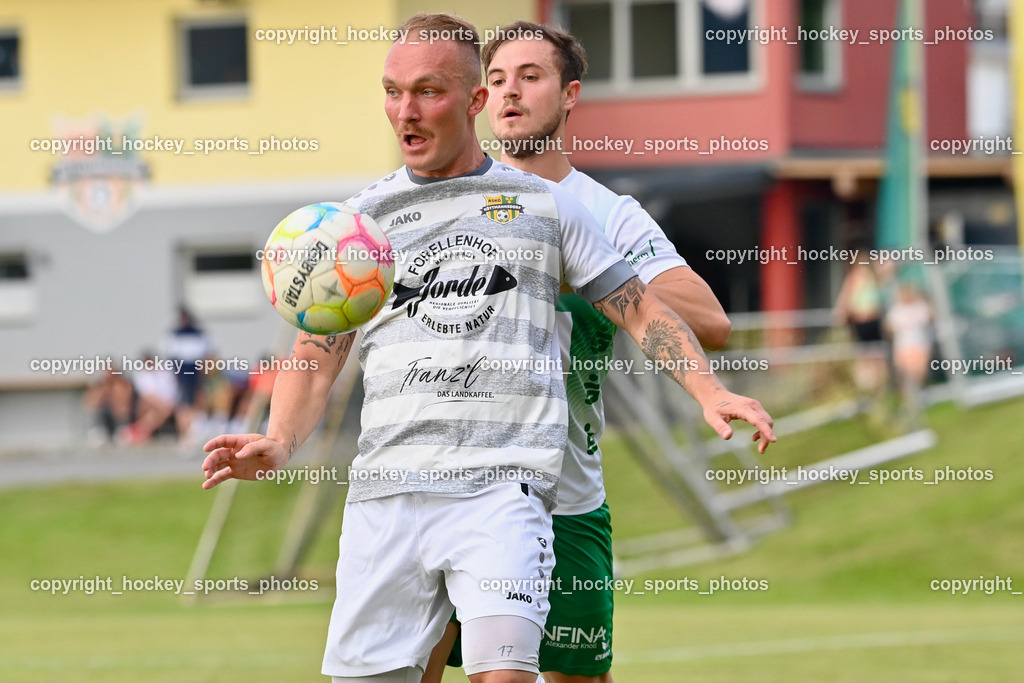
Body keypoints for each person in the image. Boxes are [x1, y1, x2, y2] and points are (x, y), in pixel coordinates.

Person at [201, 13, 775, 683]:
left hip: (505, 489)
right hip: (389, 496)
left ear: (471, 104)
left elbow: (642, 306)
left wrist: (711, 389)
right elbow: (318, 349)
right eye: (392, 91)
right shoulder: (363, 223)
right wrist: (278, 437)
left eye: (427, 92)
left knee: (508, 673)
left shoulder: (548, 207)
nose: (405, 111)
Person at [425, 21, 731, 682]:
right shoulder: (442, 203)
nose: (510, 92)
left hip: (565, 503)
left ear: (570, 96)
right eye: (497, 79)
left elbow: (710, 319)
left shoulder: (609, 214)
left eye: (530, 77)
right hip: (451, 491)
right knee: (411, 667)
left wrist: (586, 273)